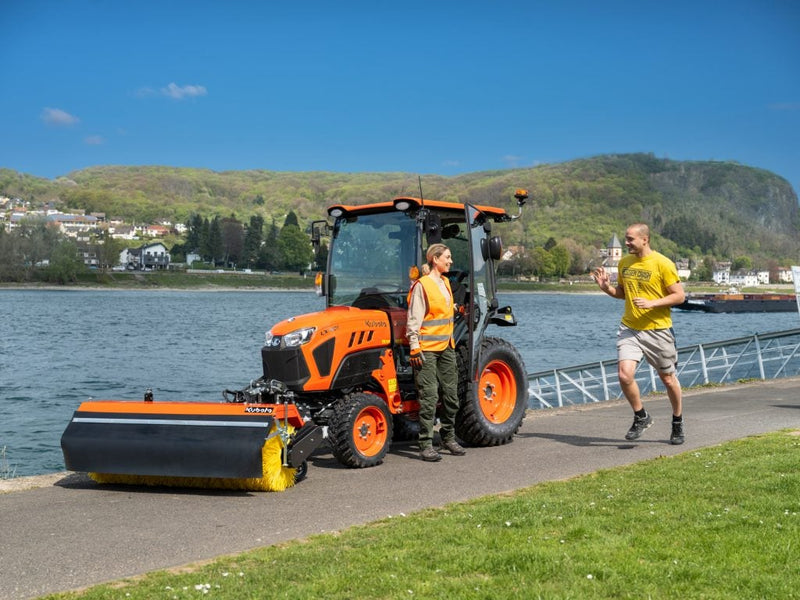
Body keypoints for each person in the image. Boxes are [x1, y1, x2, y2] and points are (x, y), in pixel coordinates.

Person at [593, 223, 686, 445]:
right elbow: (623, 293)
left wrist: (652, 303)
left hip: (658, 331)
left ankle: (677, 421)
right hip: (630, 328)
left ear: (645, 239)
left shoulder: (663, 264)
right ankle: (641, 416)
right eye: (625, 239)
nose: (626, 243)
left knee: (668, 379)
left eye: (630, 239)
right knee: (625, 375)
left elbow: (679, 296)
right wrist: (606, 288)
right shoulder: (625, 263)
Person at [406, 243, 467, 461]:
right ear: (435, 259)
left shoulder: (446, 283)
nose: (450, 261)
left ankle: (448, 437)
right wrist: (414, 347)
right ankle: (425, 444)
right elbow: (414, 318)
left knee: (451, 397)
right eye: (447, 257)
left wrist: (457, 310)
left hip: (446, 347)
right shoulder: (422, 286)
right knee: (429, 398)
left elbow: (442, 311)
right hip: (426, 351)